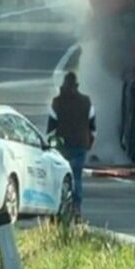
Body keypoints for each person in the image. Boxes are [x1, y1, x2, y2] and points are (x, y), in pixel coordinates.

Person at [47, 72, 95, 214]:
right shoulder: (86, 101)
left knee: (61, 177)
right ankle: (76, 207)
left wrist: (49, 143)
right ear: (76, 86)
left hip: (63, 145)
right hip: (81, 144)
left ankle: (61, 206)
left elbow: (51, 127)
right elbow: (93, 126)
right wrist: (89, 142)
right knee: (77, 176)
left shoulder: (57, 102)